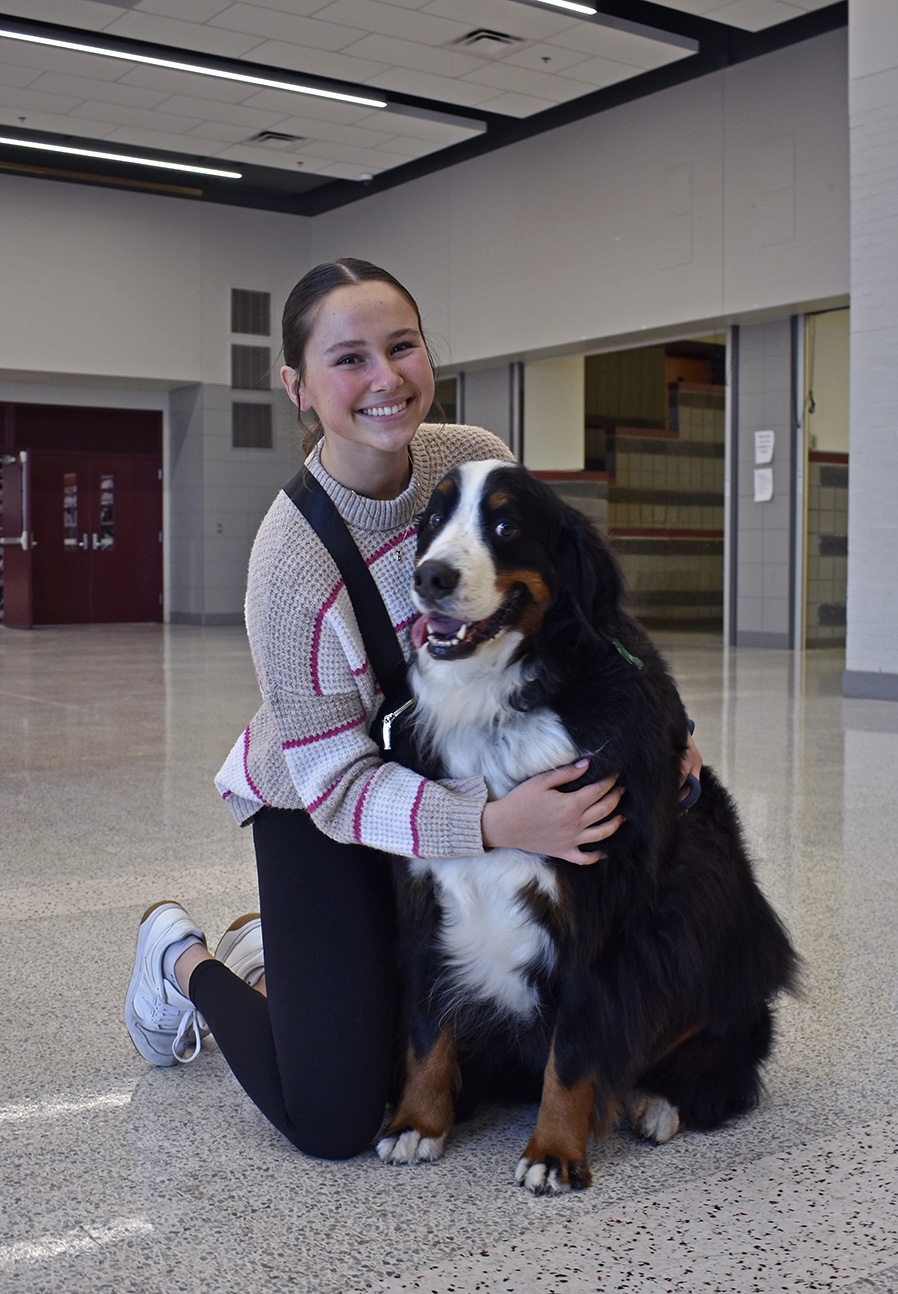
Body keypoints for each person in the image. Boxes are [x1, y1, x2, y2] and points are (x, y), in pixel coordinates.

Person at [125, 257, 697, 1161]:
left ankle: (304, 968)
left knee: (455, 1067)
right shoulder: (288, 568)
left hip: (443, 764)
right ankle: (184, 962)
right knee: (336, 1120)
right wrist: (499, 823)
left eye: (402, 347)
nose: (385, 379)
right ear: (299, 387)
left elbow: (585, 615)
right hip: (323, 800)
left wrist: (677, 734)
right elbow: (339, 787)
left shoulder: (471, 459)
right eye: (349, 359)